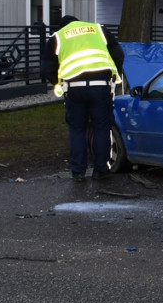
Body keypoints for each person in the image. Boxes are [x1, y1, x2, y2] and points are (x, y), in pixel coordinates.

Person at [40, 15, 124, 182]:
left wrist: (58, 83)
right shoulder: (99, 30)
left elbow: (46, 68)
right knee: (102, 127)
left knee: (77, 129)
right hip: (101, 86)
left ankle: (78, 172)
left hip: (74, 89)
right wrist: (113, 75)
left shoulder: (58, 37)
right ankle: (101, 170)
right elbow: (118, 54)